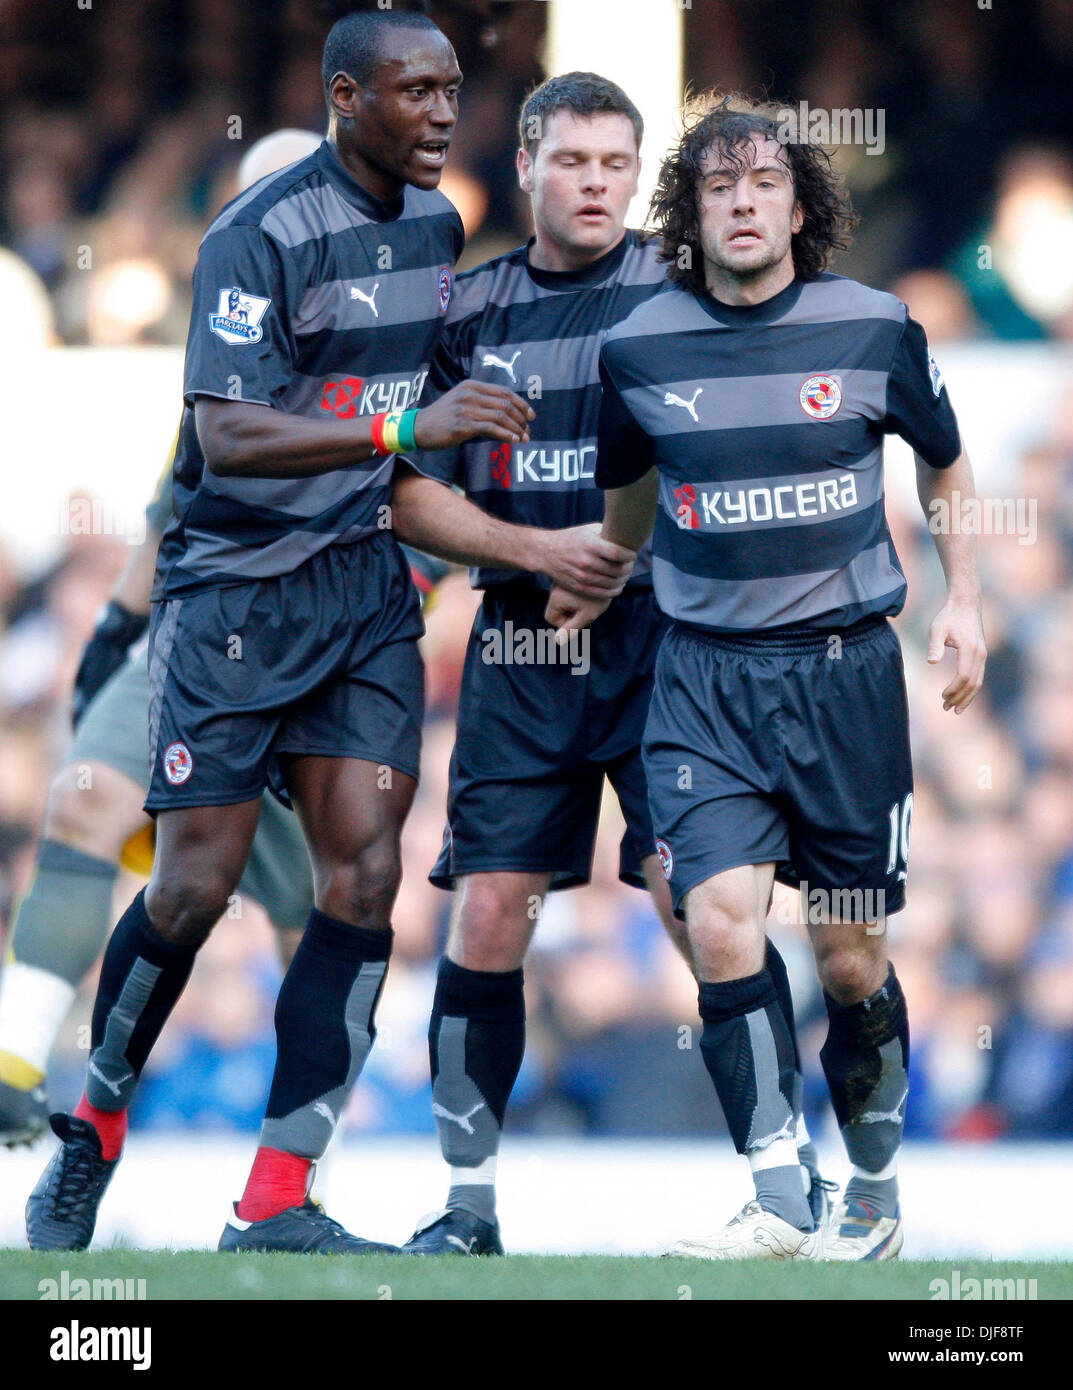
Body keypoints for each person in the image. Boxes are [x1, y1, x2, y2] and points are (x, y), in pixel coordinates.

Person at [26, 9, 620, 1257]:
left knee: (366, 881)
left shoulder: (438, 225)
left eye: (454, 88)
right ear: (346, 96)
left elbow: (430, 414)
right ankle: (93, 1129)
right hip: (237, 594)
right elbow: (231, 438)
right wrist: (408, 431)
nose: (446, 112)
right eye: (417, 92)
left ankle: (275, 1199)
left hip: (361, 593)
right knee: (186, 886)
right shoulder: (255, 236)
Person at [388, 74, 831, 1257]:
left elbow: (756, 440)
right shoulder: (462, 308)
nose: (594, 184)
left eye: (616, 165)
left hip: (668, 646)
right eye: (573, 161)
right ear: (526, 162)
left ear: (639, 177)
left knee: (702, 905)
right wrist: (538, 549)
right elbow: (397, 490)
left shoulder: (683, 295)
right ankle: (468, 1209)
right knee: (487, 909)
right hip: (520, 641)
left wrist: (627, 560)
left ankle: (786, 1185)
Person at [548, 95, 987, 1261]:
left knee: (849, 959)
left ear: (799, 205)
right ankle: (776, 1192)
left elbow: (944, 467)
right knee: (717, 915)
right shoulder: (637, 347)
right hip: (703, 680)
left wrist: (967, 603)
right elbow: (630, 490)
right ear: (691, 213)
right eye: (717, 187)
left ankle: (874, 1187)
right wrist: (605, 568)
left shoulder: (873, 327)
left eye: (761, 185)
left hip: (845, 684)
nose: (741, 204)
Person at [0, 133, 326, 1152]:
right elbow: (173, 501)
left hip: (321, 658)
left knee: (311, 920)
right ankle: (12, 1069)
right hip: (192, 634)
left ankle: (304, 1169)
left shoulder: (390, 335)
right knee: (84, 798)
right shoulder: (221, 344)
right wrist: (118, 619)